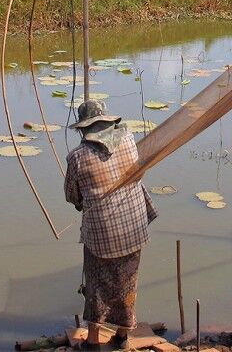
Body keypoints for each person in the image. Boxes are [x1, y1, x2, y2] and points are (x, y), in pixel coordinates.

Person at [65, 100, 158, 350]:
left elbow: (72, 196)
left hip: (101, 234)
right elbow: (138, 174)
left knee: (96, 286)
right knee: (127, 281)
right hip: (133, 227)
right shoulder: (128, 139)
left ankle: (93, 341)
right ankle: (122, 337)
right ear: (108, 122)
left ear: (85, 129)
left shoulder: (77, 156)